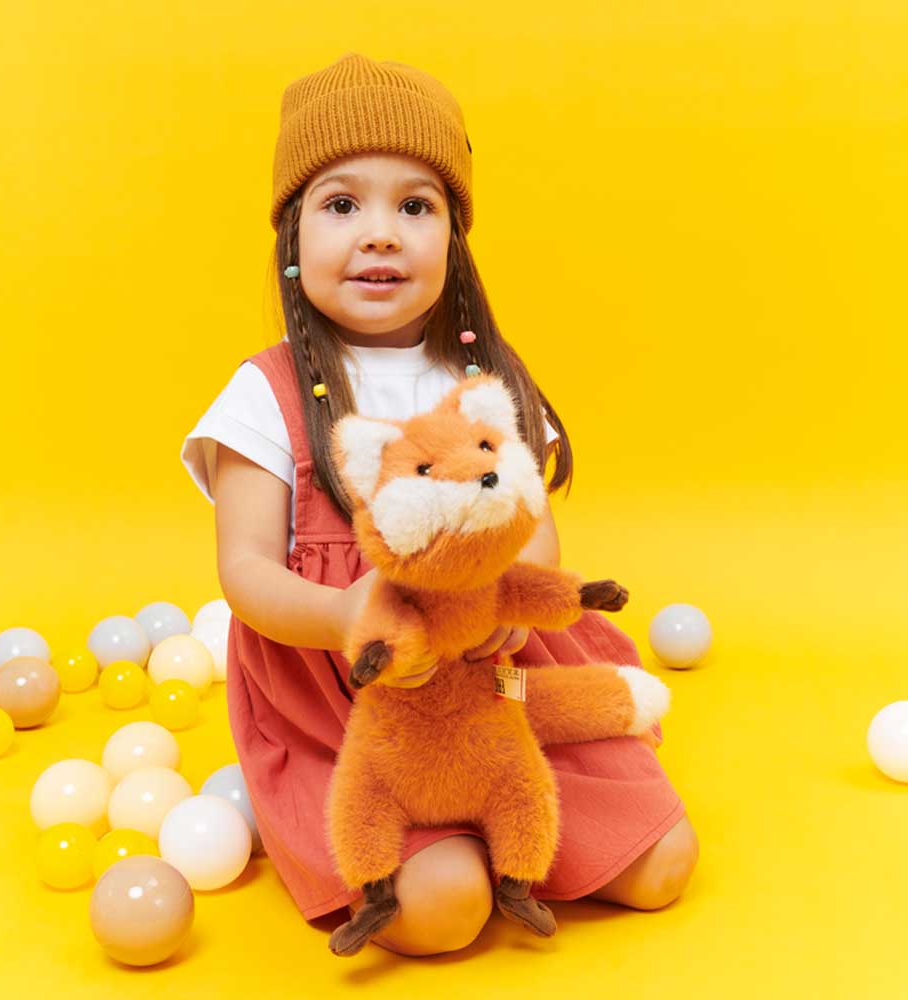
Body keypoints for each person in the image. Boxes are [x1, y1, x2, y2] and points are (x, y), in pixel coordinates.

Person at [181, 51, 699, 958]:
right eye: (342, 205)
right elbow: (245, 569)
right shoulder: (266, 393)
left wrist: (512, 605)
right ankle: (435, 841)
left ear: (455, 236)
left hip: (497, 686)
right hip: (349, 702)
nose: (381, 235)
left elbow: (534, 531)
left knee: (662, 866)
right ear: (291, 236)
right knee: (444, 910)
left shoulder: (482, 377)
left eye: (415, 207)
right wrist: (340, 614)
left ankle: (515, 820)